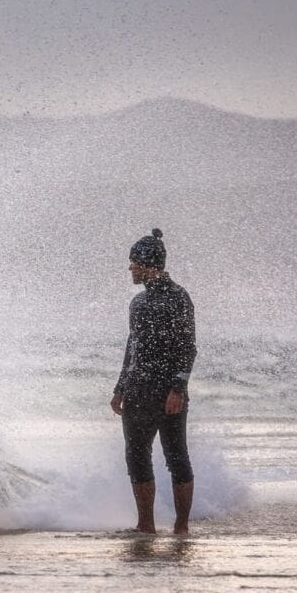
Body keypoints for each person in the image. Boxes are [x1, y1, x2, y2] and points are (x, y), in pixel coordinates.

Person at [110, 229, 197, 535]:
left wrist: (178, 389)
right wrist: (119, 388)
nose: (130, 268)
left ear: (149, 264)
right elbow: (132, 346)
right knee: (136, 456)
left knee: (176, 456)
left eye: (134, 262)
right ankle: (145, 524)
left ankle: (181, 526)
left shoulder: (178, 297)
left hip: (166, 393)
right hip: (137, 391)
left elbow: (188, 347)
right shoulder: (138, 302)